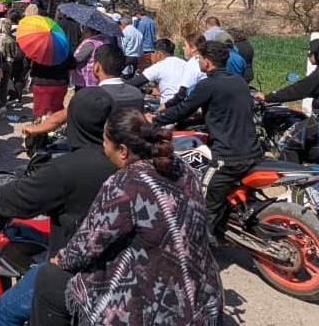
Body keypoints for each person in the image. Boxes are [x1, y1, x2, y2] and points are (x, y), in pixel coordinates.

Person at [0, 48, 134, 326]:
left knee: (2, 312)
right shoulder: (127, 160)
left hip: (74, 270)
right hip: (124, 267)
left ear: (74, 120)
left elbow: (20, 198)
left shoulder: (66, 168)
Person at [32, 108, 224, 326]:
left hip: (161, 311)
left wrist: (61, 258)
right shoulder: (182, 167)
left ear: (122, 150)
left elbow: (85, 247)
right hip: (204, 297)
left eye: (105, 141)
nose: (103, 146)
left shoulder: (125, 183)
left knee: (48, 278)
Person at [153, 41, 261, 242]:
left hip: (228, 159)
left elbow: (182, 109)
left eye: (200, 58)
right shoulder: (238, 81)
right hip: (254, 153)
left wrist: (155, 119)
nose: (199, 61)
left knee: (201, 198)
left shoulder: (207, 85)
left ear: (208, 62)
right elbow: (224, 111)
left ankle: (201, 245)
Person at [252, 38, 319, 168]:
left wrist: (268, 97)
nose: (309, 56)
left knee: (287, 140)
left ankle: (293, 181)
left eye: (311, 53)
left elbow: (300, 89)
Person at [24, 45, 143, 138]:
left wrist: (34, 129)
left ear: (96, 67)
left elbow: (58, 119)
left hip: (93, 152)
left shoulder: (87, 95)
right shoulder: (137, 94)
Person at [125, 38, 203, 109]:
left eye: (154, 53)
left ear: (159, 54)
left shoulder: (159, 67)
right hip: (186, 106)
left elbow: (133, 83)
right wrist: (149, 90)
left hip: (168, 108)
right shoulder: (184, 63)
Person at [0, 18, 18, 107]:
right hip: (8, 65)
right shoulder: (12, 39)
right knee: (4, 84)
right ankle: (3, 103)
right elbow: (15, 53)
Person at [69, 25, 106, 90]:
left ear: (94, 32)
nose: (83, 32)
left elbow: (78, 58)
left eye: (86, 31)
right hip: (98, 73)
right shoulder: (103, 40)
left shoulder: (90, 44)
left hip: (86, 76)